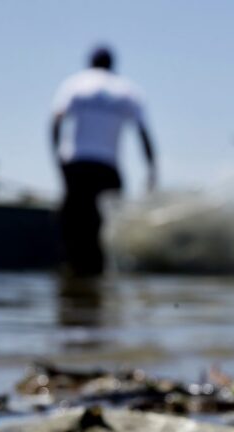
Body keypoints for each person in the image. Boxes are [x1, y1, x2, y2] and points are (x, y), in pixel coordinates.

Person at [50, 45, 157, 276]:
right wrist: (151, 169)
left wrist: (57, 159)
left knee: (73, 227)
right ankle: (98, 282)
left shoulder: (75, 84)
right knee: (105, 227)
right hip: (108, 167)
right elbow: (143, 133)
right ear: (112, 64)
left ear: (90, 62)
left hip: (76, 164)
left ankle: (73, 279)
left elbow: (56, 121)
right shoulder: (128, 90)